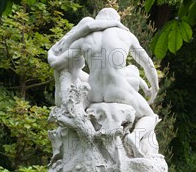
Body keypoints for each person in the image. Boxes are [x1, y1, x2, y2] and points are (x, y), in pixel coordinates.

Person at [48, 8, 159, 157]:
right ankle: (135, 138)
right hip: (118, 91)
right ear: (117, 21)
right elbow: (147, 64)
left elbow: (56, 64)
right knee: (149, 116)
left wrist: (50, 52)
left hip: (93, 92)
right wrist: (154, 87)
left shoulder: (84, 40)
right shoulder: (125, 35)